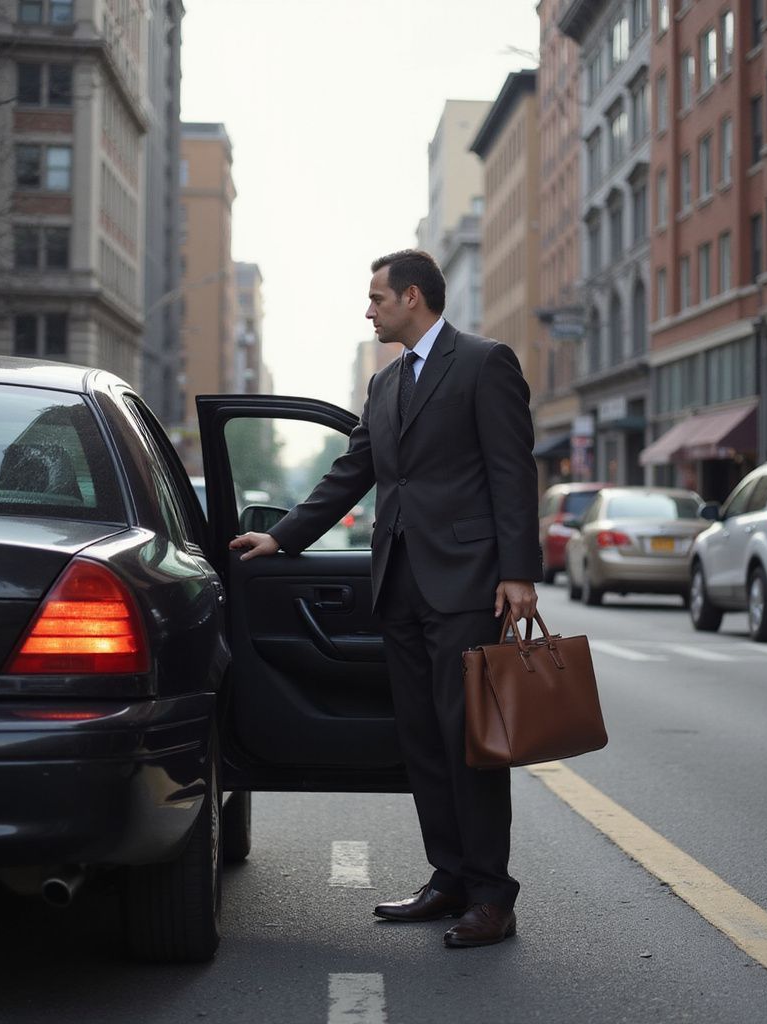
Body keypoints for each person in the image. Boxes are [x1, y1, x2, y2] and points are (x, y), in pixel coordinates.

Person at [230, 249, 541, 948]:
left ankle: (493, 895)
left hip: (468, 582)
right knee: (422, 739)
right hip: (398, 582)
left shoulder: (485, 363)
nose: (368, 310)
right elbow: (355, 471)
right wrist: (281, 538)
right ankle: (450, 877)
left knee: (471, 742)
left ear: (411, 297)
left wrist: (518, 572)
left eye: (376, 298)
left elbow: (512, 471)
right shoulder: (388, 382)